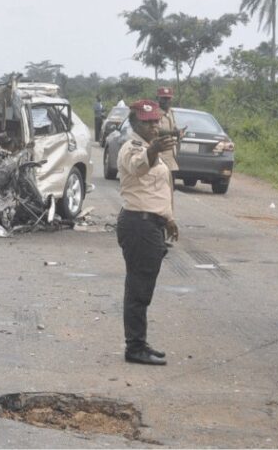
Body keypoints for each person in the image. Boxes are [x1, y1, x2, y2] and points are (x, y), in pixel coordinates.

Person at [116, 99, 179, 366]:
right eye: (147, 122)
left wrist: (168, 219)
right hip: (138, 225)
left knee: (143, 287)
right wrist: (153, 150)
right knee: (138, 289)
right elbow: (139, 168)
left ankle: (139, 342)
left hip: (150, 224)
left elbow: (156, 190)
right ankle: (135, 348)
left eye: (156, 121)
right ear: (135, 124)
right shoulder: (132, 148)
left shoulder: (149, 147)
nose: (154, 126)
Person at [155, 87, 180, 185]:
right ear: (158, 98)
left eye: (168, 98)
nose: (166, 101)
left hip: (170, 153)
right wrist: (172, 133)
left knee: (170, 185)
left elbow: (173, 127)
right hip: (159, 152)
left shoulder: (170, 112)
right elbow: (156, 130)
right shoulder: (154, 113)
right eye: (164, 98)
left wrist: (178, 132)